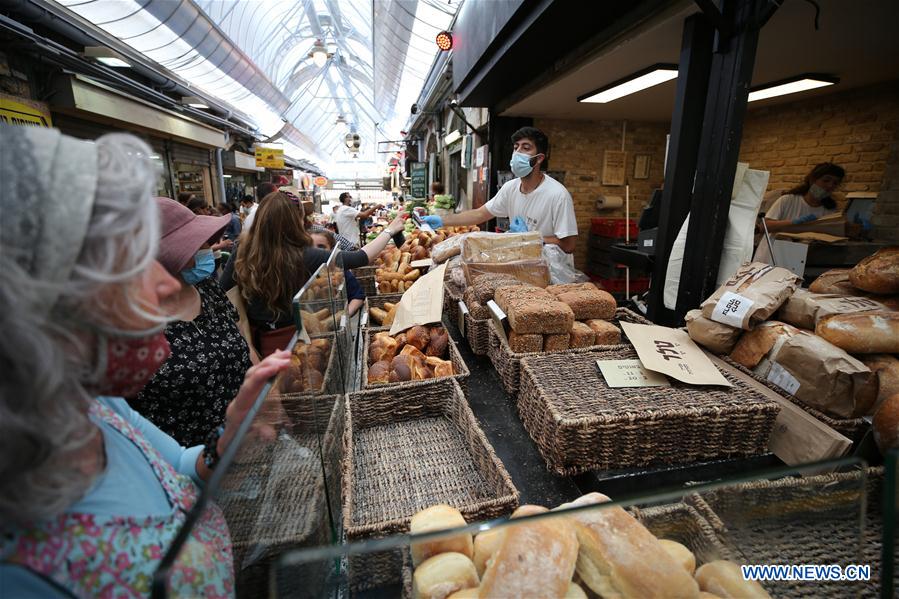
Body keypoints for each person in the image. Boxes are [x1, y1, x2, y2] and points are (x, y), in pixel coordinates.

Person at [0, 125, 290, 596]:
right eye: (129, 265)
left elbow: (176, 465)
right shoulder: (20, 571)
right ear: (34, 309)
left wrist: (225, 441)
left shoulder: (94, 407)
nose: (162, 285)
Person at [127, 198, 253, 447]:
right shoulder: (131, 321)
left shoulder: (206, 288)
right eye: (195, 243)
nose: (206, 247)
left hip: (247, 440)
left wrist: (267, 394)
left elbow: (243, 341)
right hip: (187, 461)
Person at [222, 191, 405, 356]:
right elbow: (361, 258)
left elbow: (224, 293)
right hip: (300, 342)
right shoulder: (303, 255)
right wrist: (390, 230)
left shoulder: (242, 251)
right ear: (296, 221)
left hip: (256, 343)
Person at [422, 126, 578, 258]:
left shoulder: (557, 195)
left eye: (526, 147)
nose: (517, 153)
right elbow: (480, 214)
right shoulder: (510, 188)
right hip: (522, 263)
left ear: (538, 159)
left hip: (553, 272)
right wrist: (442, 220)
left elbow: (569, 245)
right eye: (516, 147)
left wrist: (533, 238)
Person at [755, 162, 845, 263]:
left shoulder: (830, 211)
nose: (830, 185)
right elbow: (764, 227)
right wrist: (794, 222)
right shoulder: (788, 200)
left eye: (835, 183)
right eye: (826, 180)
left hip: (798, 261)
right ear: (812, 180)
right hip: (770, 258)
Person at [310, 230, 365, 317]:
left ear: (331, 250)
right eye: (310, 247)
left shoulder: (340, 271)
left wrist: (344, 316)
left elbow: (357, 296)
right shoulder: (304, 273)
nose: (316, 251)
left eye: (321, 247)